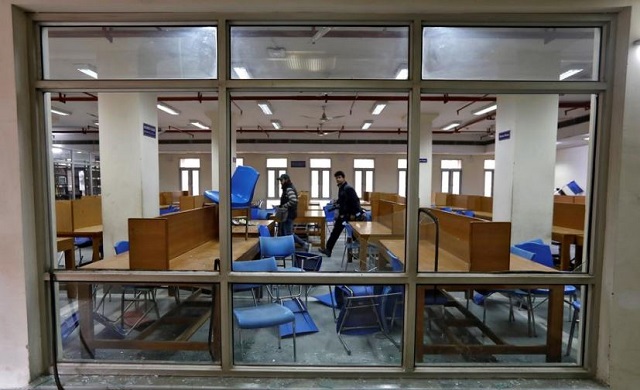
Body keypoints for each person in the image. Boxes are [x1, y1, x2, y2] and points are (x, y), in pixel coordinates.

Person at [318, 170, 363, 257]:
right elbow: (342, 200)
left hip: (348, 215)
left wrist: (355, 214)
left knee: (353, 235)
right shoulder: (341, 188)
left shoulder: (348, 188)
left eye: (339, 177)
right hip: (343, 214)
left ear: (343, 178)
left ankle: (361, 250)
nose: (338, 179)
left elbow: (356, 201)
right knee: (335, 232)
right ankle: (328, 249)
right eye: (336, 178)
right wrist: (336, 203)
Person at [277, 174, 311, 251]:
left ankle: (303, 244)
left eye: (281, 180)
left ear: (286, 180)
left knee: (288, 233)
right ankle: (286, 248)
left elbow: (293, 200)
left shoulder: (288, 188)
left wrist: (284, 206)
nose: (280, 182)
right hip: (288, 213)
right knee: (284, 233)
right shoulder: (288, 187)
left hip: (288, 214)